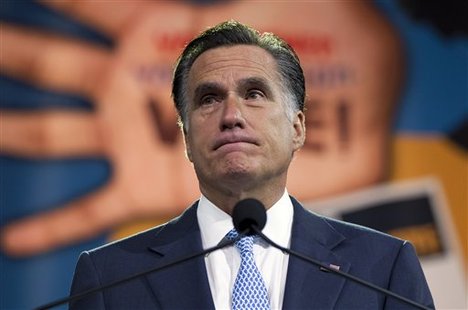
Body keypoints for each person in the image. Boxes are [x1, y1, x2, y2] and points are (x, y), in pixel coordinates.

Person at [69, 20, 433, 309]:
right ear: (186, 139)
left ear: (298, 128)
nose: (231, 115)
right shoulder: (111, 276)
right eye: (208, 99)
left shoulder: (382, 268)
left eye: (254, 94)